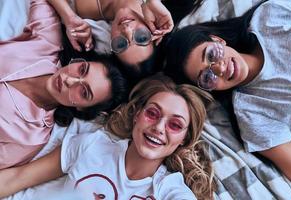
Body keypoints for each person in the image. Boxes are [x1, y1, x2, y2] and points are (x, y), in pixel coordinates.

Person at [0, 74, 215, 200]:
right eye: (152, 113)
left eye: (175, 125)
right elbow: (18, 178)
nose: (159, 127)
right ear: (136, 116)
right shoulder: (92, 144)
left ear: (184, 140)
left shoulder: (171, 191)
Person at [164, 0, 291, 186]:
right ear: (208, 89)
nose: (219, 68)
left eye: (211, 55)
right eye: (207, 76)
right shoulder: (252, 116)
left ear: (218, 40)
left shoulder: (270, 16)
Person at [0, 0, 127, 169]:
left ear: (82, 108)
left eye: (84, 92)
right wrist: (69, 17)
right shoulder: (48, 45)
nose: (69, 80)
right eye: (82, 69)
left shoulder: (32, 136)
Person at [46, 0, 201, 79]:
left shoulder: (82, 12)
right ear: (156, 33)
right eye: (141, 37)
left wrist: (67, 16)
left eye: (121, 44)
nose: (126, 29)